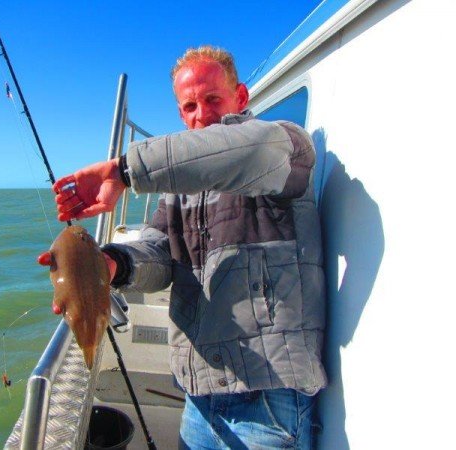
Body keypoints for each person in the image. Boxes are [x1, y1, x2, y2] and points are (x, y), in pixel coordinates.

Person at [54, 46, 327, 449]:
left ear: (241, 96)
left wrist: (124, 170)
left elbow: (244, 150)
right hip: (198, 398)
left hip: (268, 399)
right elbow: (160, 252)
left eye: (213, 99)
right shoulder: (178, 191)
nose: (202, 114)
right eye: (190, 105)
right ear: (181, 113)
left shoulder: (284, 146)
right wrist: (114, 264)